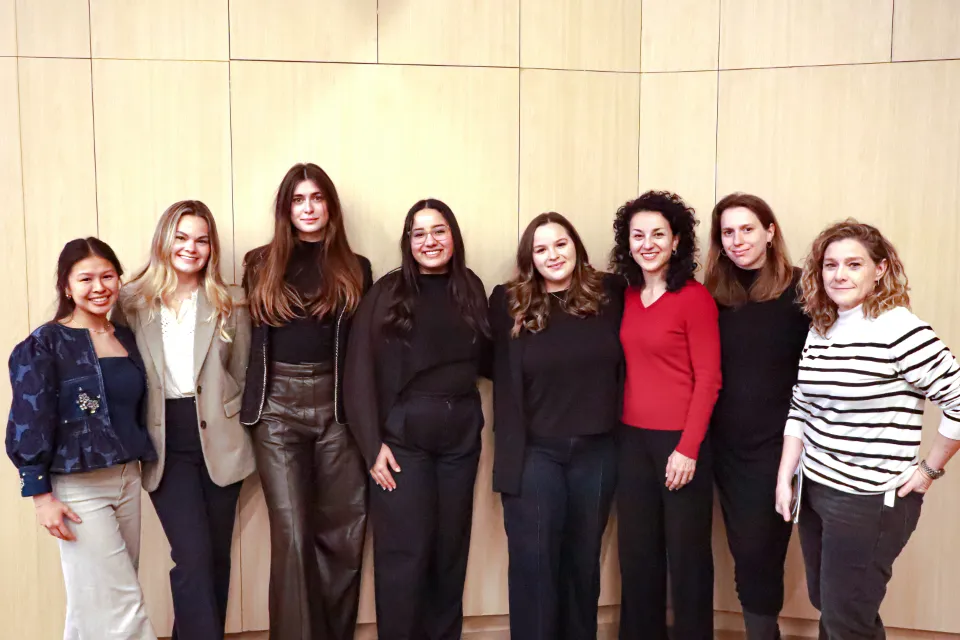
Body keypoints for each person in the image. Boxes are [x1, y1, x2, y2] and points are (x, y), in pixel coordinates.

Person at [775, 220, 960, 639]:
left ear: (880, 269)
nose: (839, 275)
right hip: (817, 488)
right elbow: (801, 405)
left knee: (846, 617)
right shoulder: (822, 327)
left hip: (869, 501)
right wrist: (787, 475)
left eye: (854, 264)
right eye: (830, 265)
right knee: (835, 607)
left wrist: (929, 470)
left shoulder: (899, 329)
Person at [345, 199, 490, 640]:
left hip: (461, 437)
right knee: (404, 555)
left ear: (453, 236)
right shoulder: (387, 292)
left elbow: (488, 357)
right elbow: (358, 373)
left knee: (449, 553)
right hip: (402, 441)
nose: (430, 241)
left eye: (439, 230)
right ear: (408, 242)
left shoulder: (471, 286)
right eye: (419, 233)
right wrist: (372, 447)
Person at [240, 163, 372, 640]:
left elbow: (363, 352)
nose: (309, 208)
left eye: (317, 198)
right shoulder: (259, 264)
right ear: (286, 208)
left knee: (342, 536)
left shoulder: (356, 268)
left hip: (337, 410)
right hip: (276, 410)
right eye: (299, 200)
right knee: (293, 539)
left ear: (330, 206)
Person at [114, 201, 254, 640]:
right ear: (164, 240)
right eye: (182, 236)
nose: (191, 248)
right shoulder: (131, 302)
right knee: (191, 557)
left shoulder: (231, 302)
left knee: (214, 559)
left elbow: (245, 372)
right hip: (164, 438)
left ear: (211, 247)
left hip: (221, 438)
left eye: (202, 239)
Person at [6, 237, 157, 639]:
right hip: (78, 488)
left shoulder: (126, 337)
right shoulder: (44, 344)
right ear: (67, 286)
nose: (99, 286)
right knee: (122, 603)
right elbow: (28, 419)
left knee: (95, 605)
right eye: (86, 278)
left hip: (128, 479)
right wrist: (40, 496)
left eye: (107, 276)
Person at [489, 212, 623, 640]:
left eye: (560, 244)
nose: (553, 255)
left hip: (597, 452)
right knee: (535, 564)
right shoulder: (507, 301)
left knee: (582, 566)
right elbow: (485, 360)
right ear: (530, 258)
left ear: (576, 246)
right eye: (541, 248)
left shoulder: (611, 293)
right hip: (534, 453)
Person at [612, 191, 722, 640]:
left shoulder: (694, 299)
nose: (648, 243)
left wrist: (688, 448)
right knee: (637, 559)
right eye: (638, 235)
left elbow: (709, 379)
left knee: (689, 558)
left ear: (677, 240)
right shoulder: (626, 296)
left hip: (680, 443)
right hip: (630, 443)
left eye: (658, 234)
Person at [703, 193, 809, 640]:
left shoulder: (804, 289)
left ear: (770, 232)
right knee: (739, 551)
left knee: (760, 552)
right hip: (718, 445)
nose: (737, 240)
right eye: (728, 232)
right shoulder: (711, 295)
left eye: (748, 229)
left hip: (776, 446)